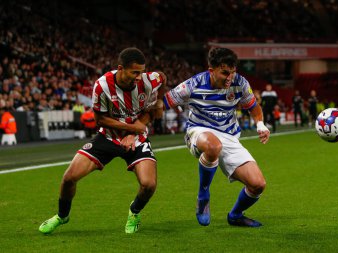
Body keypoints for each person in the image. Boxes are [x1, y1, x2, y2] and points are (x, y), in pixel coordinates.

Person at [39, 47, 166, 235]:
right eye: (135, 72)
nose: (139, 77)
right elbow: (100, 120)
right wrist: (132, 128)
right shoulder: (102, 85)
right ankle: (61, 216)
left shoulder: (148, 80)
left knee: (149, 185)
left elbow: (162, 77)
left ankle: (134, 211)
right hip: (107, 137)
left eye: (141, 71)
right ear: (121, 68)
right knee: (68, 178)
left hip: (137, 140)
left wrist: (160, 101)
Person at [163, 47, 269, 227]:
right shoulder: (193, 84)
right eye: (225, 73)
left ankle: (235, 215)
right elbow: (164, 102)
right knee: (213, 146)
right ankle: (203, 195)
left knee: (258, 184)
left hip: (229, 135)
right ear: (211, 70)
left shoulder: (240, 83)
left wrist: (260, 124)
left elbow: (254, 107)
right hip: (198, 130)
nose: (230, 78)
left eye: (233, 72)